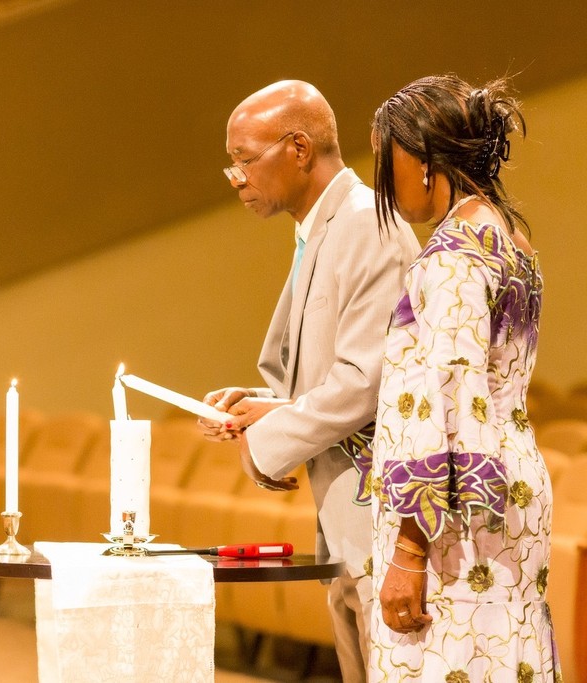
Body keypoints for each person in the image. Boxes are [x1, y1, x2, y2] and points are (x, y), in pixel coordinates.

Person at [196, 80, 419, 682]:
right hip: (342, 515)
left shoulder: (369, 225)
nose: (236, 177)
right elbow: (325, 379)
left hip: (388, 521)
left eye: (245, 159)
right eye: (232, 162)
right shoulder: (319, 229)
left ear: (299, 148)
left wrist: (267, 444)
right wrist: (260, 408)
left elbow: (363, 384)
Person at [367, 74, 559, 680]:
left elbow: (448, 405)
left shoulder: (452, 257)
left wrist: (408, 550)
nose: (382, 180)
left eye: (384, 160)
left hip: (457, 517)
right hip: (512, 486)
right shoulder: (510, 240)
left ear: (422, 162)